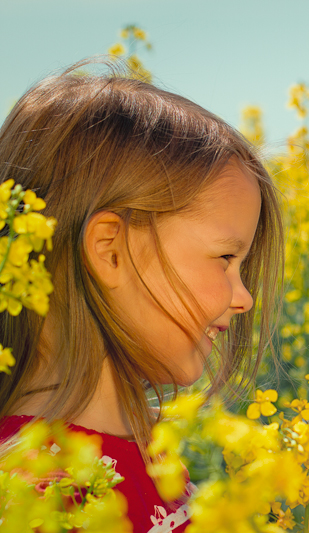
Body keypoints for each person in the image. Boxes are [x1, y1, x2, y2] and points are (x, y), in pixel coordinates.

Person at [0, 63, 284, 533]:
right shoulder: (47, 498)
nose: (244, 298)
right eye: (225, 258)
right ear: (111, 252)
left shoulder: (143, 449)